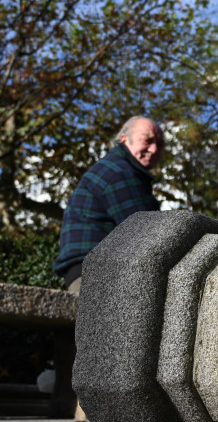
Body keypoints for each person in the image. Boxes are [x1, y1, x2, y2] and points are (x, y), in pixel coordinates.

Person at [53, 117, 165, 294]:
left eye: (160, 144)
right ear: (124, 139)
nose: (154, 149)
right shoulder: (119, 172)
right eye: (148, 140)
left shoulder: (117, 168)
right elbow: (149, 235)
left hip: (91, 269)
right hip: (96, 274)